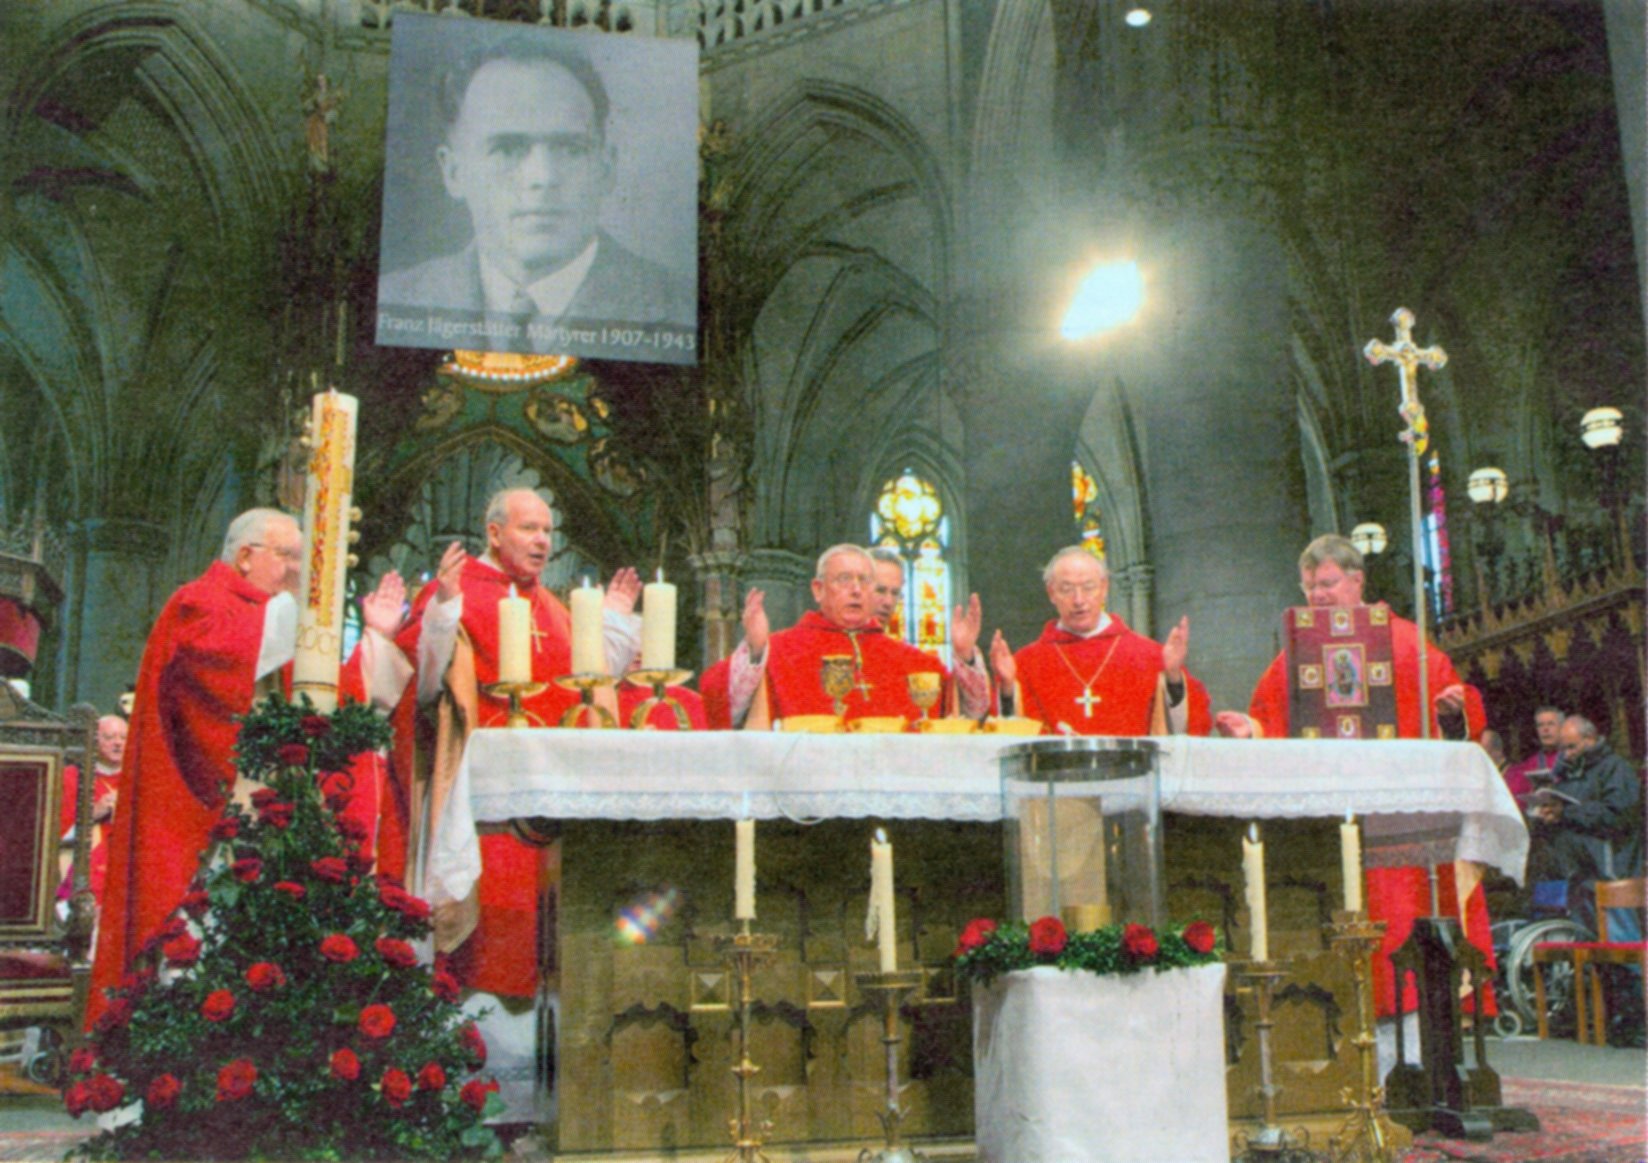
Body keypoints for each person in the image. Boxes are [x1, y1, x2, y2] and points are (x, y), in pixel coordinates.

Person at [1214, 533, 1493, 1021]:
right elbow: (1271, 716)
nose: (1317, 597)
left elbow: (1454, 706)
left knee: (1400, 917)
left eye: (1327, 584)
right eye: (1309, 588)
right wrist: (1249, 729)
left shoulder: (1404, 641)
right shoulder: (1296, 653)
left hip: (1398, 818)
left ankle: (1414, 1017)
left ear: (1357, 580)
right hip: (1328, 819)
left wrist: (1452, 713)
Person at [383, 487, 641, 998]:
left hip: (558, 792)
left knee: (553, 922)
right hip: (486, 795)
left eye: (548, 531)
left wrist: (610, 621)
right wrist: (441, 612)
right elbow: (427, 685)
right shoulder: (458, 593)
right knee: (495, 931)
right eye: (529, 529)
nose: (543, 540)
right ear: (495, 533)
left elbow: (588, 686)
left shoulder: (553, 606)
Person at [86, 509, 305, 1027]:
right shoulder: (199, 601)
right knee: (196, 949)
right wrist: (287, 627)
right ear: (247, 556)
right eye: (288, 557)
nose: (297, 570)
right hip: (197, 808)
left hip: (265, 802)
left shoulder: (274, 609)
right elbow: (212, 675)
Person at [377, 35, 694, 349]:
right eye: (507, 148)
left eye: (570, 148)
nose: (542, 177)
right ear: (453, 172)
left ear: (606, 167)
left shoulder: (680, 306)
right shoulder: (396, 298)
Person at [742, 545, 991, 729]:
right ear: (818, 590)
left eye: (865, 581)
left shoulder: (916, 664)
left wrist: (965, 655)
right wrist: (754, 650)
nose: (856, 590)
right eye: (844, 579)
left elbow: (970, 715)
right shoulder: (778, 650)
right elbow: (720, 699)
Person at [987, 547, 1211, 736]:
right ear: (1051, 593)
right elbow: (1006, 738)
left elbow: (1196, 726)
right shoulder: (1025, 663)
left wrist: (1173, 677)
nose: (1079, 600)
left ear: (1104, 588)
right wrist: (1007, 688)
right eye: (1066, 589)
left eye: (1088, 587)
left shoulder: (1151, 656)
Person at [1527, 715, 1643, 932]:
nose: (1567, 754)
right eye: (1563, 749)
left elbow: (1618, 815)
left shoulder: (1615, 768)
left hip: (1610, 871)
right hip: (1577, 875)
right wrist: (1549, 815)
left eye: (1572, 747)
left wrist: (1568, 812)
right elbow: (1568, 816)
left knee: (1621, 944)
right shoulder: (1567, 775)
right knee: (1587, 944)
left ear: (1590, 739)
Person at [57, 714, 127, 911]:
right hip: (84, 870)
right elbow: (57, 835)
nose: (118, 744)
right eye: (109, 737)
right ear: (94, 741)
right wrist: (92, 814)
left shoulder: (141, 777)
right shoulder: (72, 777)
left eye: (123, 738)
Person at [1503, 705, 1565, 800]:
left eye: (1551, 724)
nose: (1545, 729)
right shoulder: (1529, 764)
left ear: (1562, 728)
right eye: (1540, 725)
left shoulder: (1572, 758)